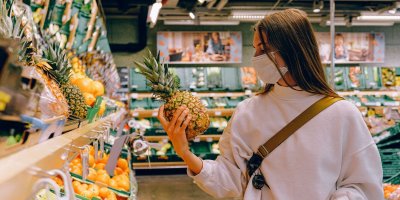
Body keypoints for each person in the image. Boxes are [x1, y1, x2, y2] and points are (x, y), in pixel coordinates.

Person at [157, 9, 383, 200]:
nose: (256, 57)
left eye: (263, 49)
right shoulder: (248, 112)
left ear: (294, 50)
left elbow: (364, 186)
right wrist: (185, 152)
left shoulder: (342, 114)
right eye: (255, 49)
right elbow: (232, 182)